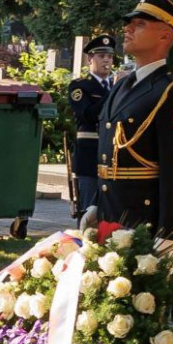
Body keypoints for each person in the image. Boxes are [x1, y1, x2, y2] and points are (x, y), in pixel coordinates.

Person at [96, 0, 173, 250]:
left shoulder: (172, 92)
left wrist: (170, 235)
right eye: (129, 24)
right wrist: (95, 205)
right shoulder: (122, 85)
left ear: (165, 35)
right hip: (111, 218)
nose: (128, 29)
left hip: (146, 225)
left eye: (139, 24)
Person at [64, 42, 112, 217]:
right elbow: (88, 114)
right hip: (89, 158)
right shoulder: (79, 86)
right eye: (101, 56)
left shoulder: (117, 86)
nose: (106, 60)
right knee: (88, 211)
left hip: (114, 157)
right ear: (89, 59)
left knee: (111, 213)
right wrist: (114, 93)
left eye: (109, 56)